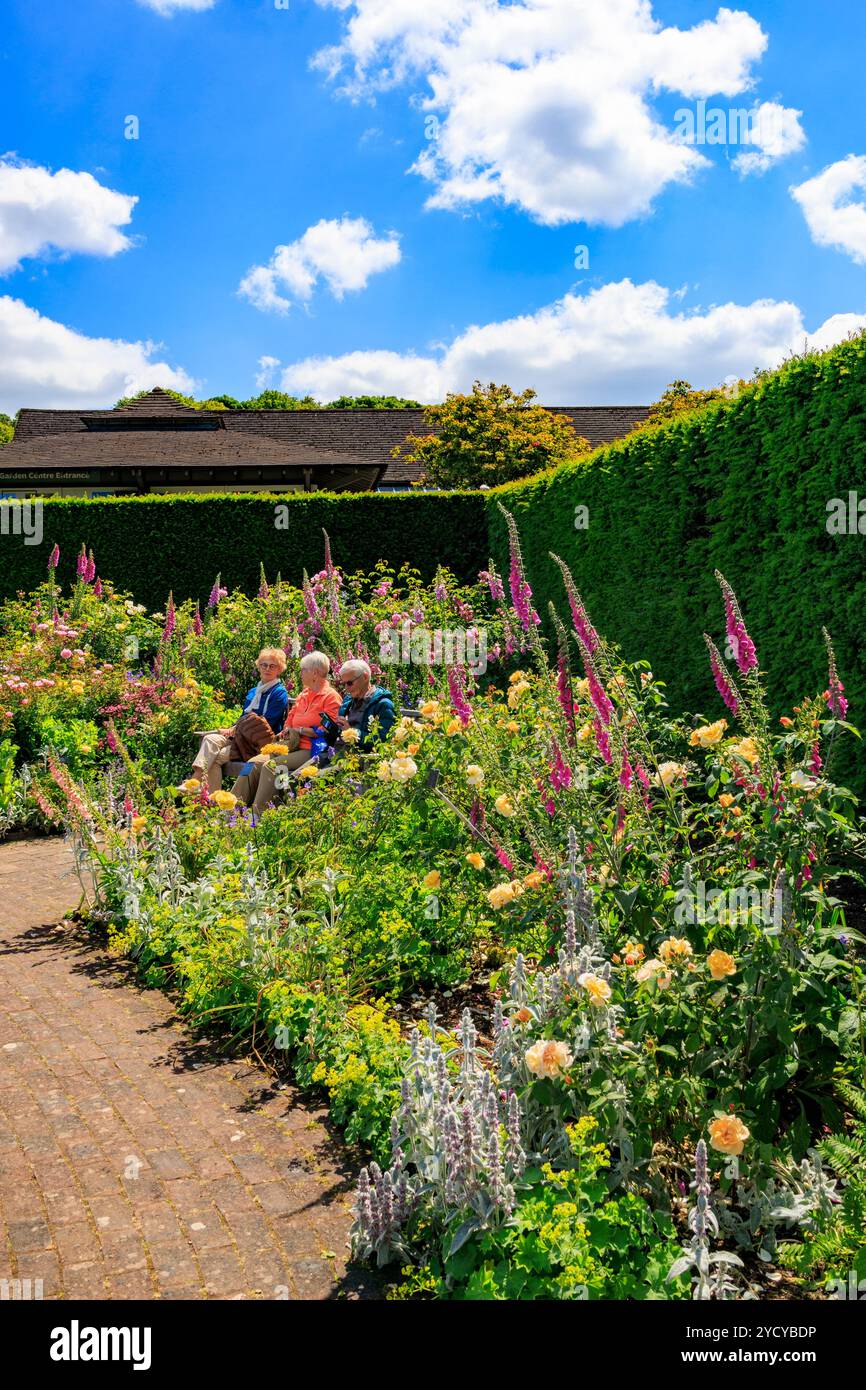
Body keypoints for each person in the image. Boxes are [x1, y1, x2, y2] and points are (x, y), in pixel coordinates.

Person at [232, 651, 341, 815]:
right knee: (253, 763)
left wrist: (302, 730)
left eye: (303, 670)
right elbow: (290, 719)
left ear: (315, 673)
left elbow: (328, 731)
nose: (300, 673)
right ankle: (230, 810)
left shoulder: (330, 697)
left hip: (310, 750)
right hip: (290, 745)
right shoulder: (304, 694)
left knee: (272, 767)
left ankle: (259, 814)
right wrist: (288, 730)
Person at [190, 647, 289, 792]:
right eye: (264, 665)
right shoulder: (253, 692)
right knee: (210, 739)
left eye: (272, 666)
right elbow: (244, 716)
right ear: (259, 666)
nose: (267, 669)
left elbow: (266, 723)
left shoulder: (279, 693)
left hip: (257, 743)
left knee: (217, 758)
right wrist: (232, 728)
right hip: (240, 736)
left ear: (279, 669)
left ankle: (210, 800)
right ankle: (196, 780)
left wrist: (236, 728)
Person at [334, 659, 396, 748]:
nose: (346, 688)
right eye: (344, 684)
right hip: (340, 752)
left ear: (365, 677)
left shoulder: (383, 704)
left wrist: (352, 732)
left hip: (363, 758)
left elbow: (384, 740)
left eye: (350, 683)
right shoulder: (348, 702)